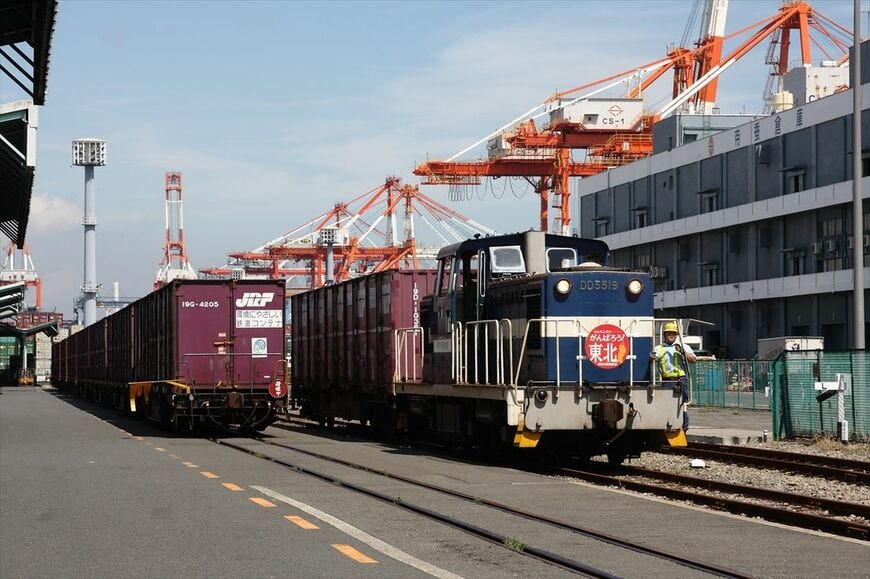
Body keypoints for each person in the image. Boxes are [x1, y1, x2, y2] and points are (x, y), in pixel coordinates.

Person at [651, 321, 696, 432]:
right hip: (666, 381)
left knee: (682, 405)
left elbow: (693, 359)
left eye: (673, 333)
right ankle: (667, 426)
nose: (671, 335)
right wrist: (653, 357)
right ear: (664, 335)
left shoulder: (683, 346)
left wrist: (683, 352)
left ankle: (683, 428)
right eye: (669, 333)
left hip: (681, 380)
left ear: (676, 335)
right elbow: (653, 358)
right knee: (667, 404)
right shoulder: (659, 348)